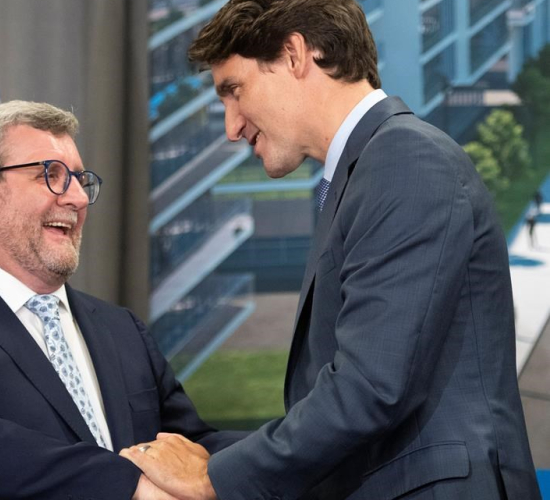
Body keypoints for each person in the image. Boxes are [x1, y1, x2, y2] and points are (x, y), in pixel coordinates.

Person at [121, 1, 541, 499]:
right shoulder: (366, 171)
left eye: (234, 91)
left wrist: (214, 478)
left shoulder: (404, 159)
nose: (231, 125)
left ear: (295, 54)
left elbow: (369, 389)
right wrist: (219, 458)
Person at [0, 100, 241, 500]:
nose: (77, 198)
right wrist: (130, 486)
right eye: (51, 176)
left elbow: (191, 451)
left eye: (79, 179)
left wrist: (297, 454)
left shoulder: (121, 328)